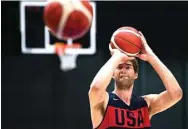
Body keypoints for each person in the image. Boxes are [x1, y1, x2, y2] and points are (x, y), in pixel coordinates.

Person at [88, 31, 183, 129]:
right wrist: (118, 56)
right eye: (119, 67)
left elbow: (175, 93)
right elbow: (96, 87)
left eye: (128, 67)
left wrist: (151, 57)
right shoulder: (104, 101)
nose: (123, 70)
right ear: (112, 73)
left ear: (136, 74)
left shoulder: (145, 104)